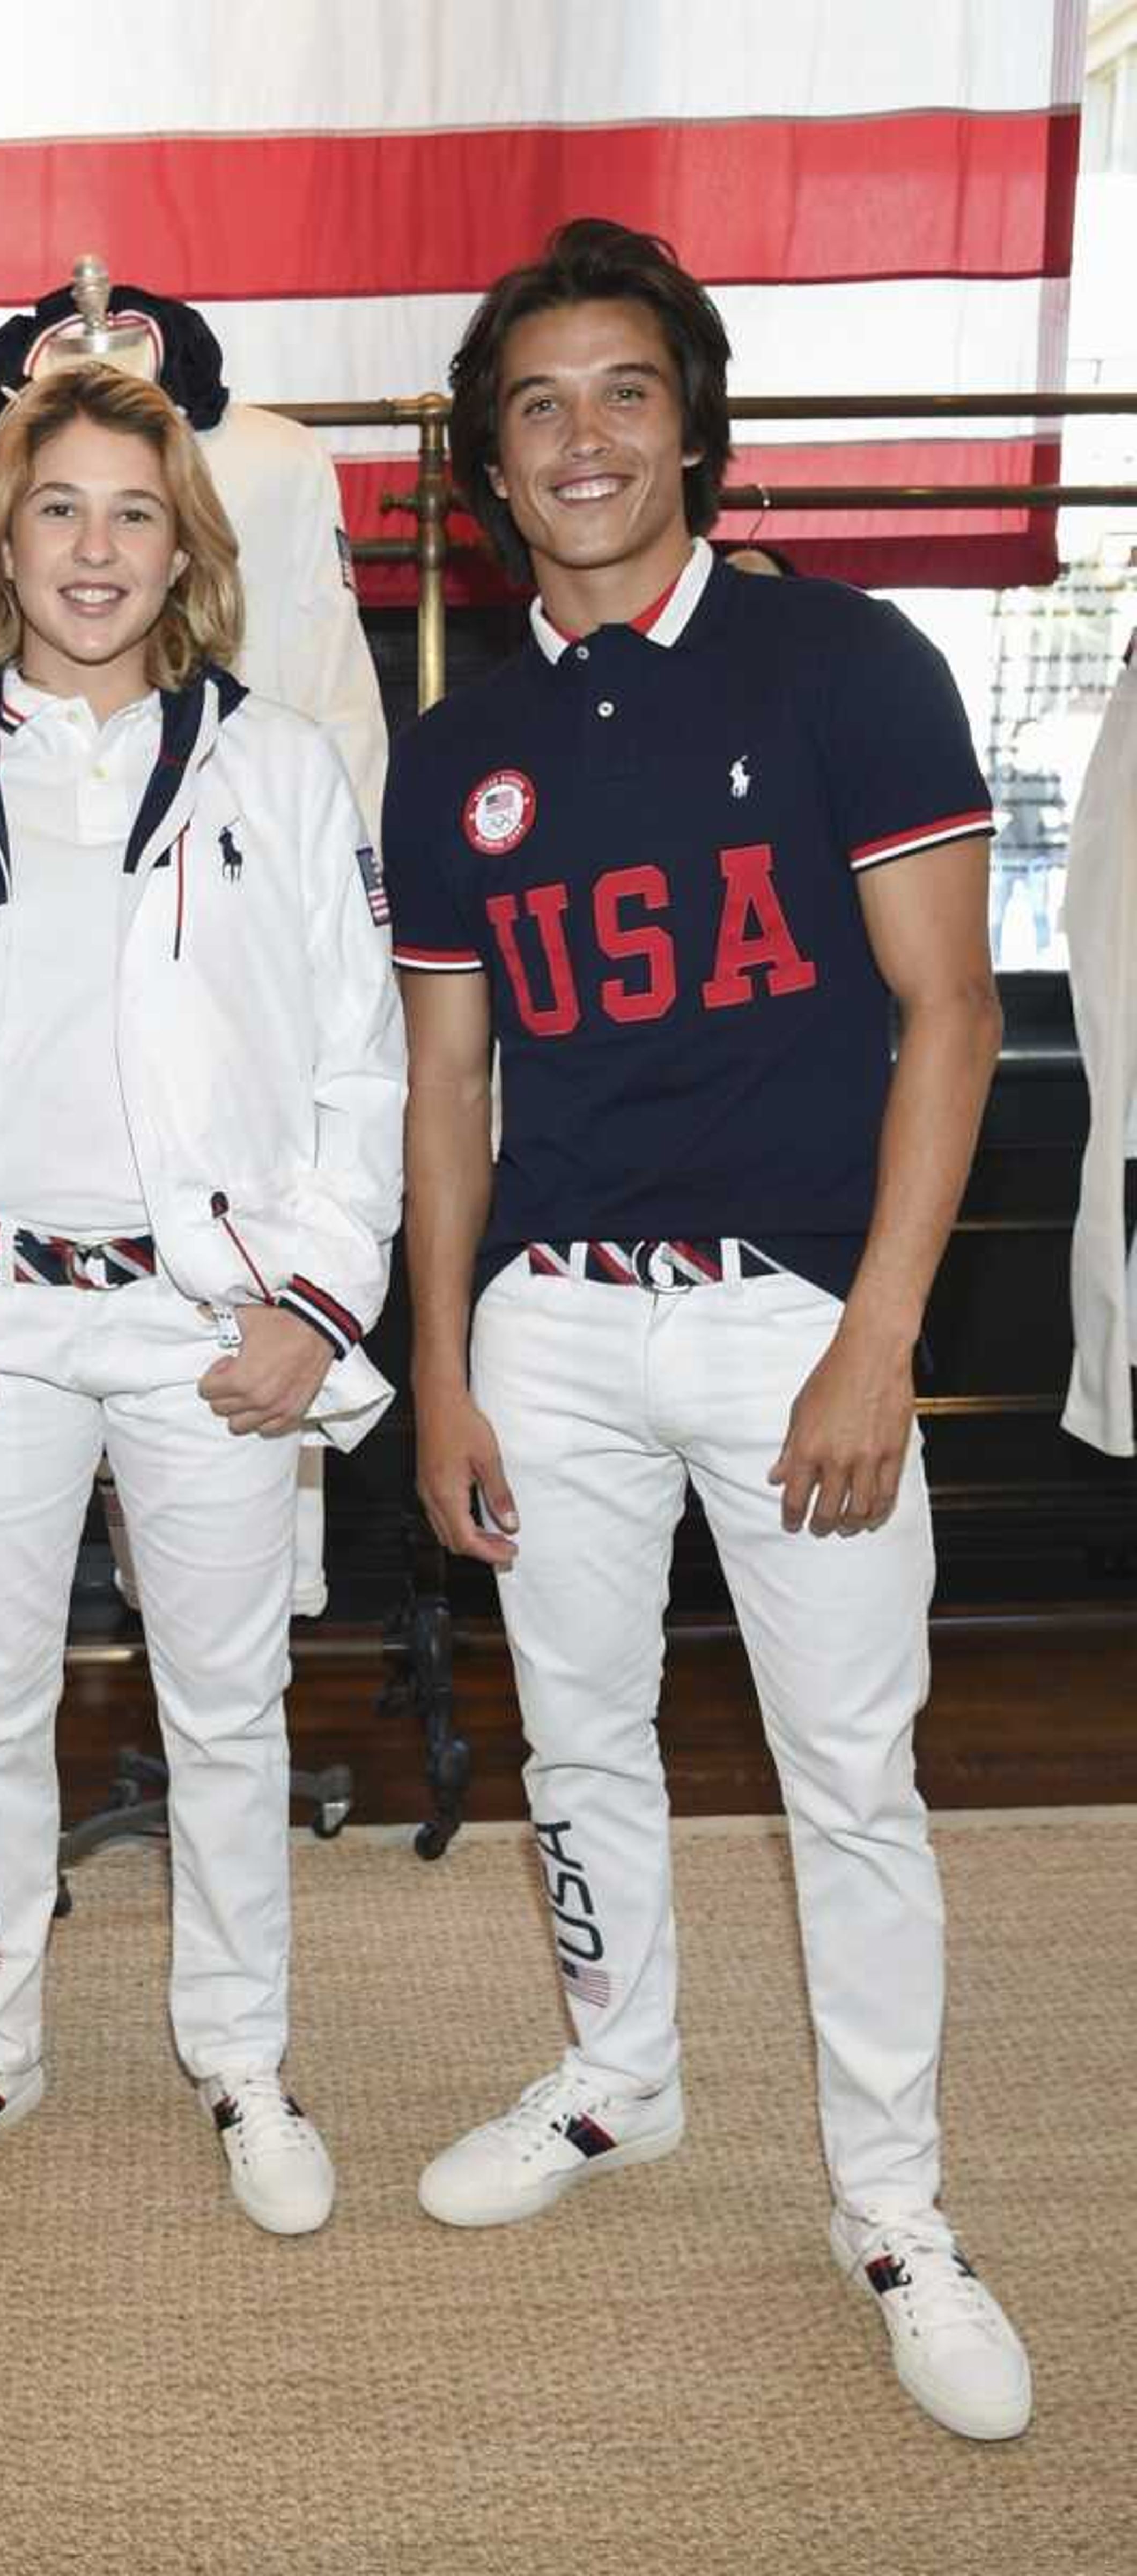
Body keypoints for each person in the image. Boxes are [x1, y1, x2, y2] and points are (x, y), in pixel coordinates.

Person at [383, 217, 1031, 2443]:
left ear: (696, 426)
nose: (584, 437)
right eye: (539, 403)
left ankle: (894, 2206)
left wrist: (881, 1336)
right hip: (552, 1323)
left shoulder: (847, 665)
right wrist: (449, 1357)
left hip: (792, 1320)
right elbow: (446, 1085)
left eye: (625, 391)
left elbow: (949, 1016)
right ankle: (615, 2078)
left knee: (850, 1781)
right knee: (582, 1750)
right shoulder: (452, 747)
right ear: (493, 458)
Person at [0, 362, 403, 2235]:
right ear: (2, 535)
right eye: (58, 506)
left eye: (133, 513)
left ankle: (241, 2054)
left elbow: (361, 1063)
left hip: (205, 1328)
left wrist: (310, 1303)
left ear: (187, 549)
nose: (94, 547)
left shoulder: (279, 766)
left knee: (226, 1709)